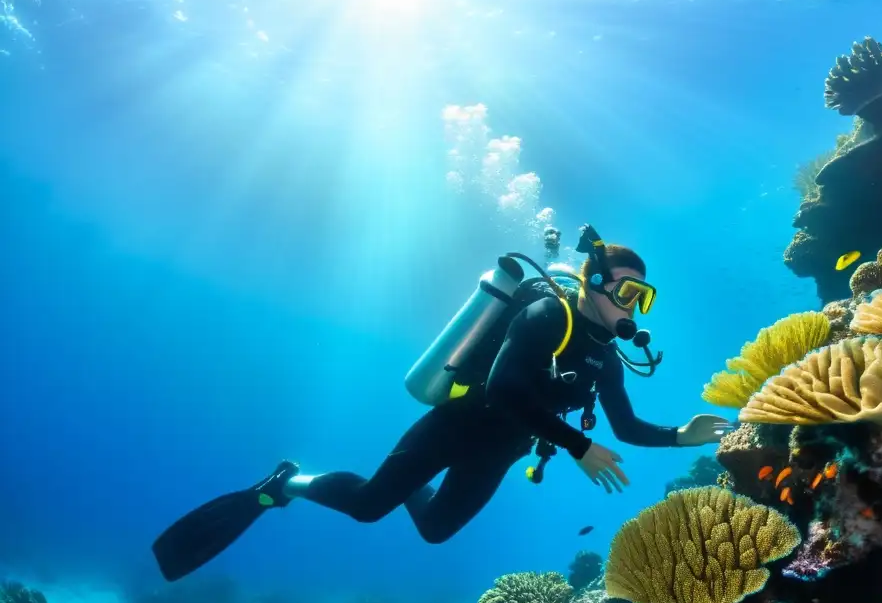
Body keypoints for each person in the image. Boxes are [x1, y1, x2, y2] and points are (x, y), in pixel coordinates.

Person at [152, 226, 733, 582]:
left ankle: (399, 485)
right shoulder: (544, 316)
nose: (635, 306)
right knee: (368, 506)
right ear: (595, 282)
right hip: (456, 423)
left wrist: (682, 434)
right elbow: (504, 390)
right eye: (629, 290)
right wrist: (579, 445)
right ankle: (287, 483)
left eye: (644, 296)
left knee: (434, 530)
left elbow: (626, 428)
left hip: (502, 448)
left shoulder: (607, 356)